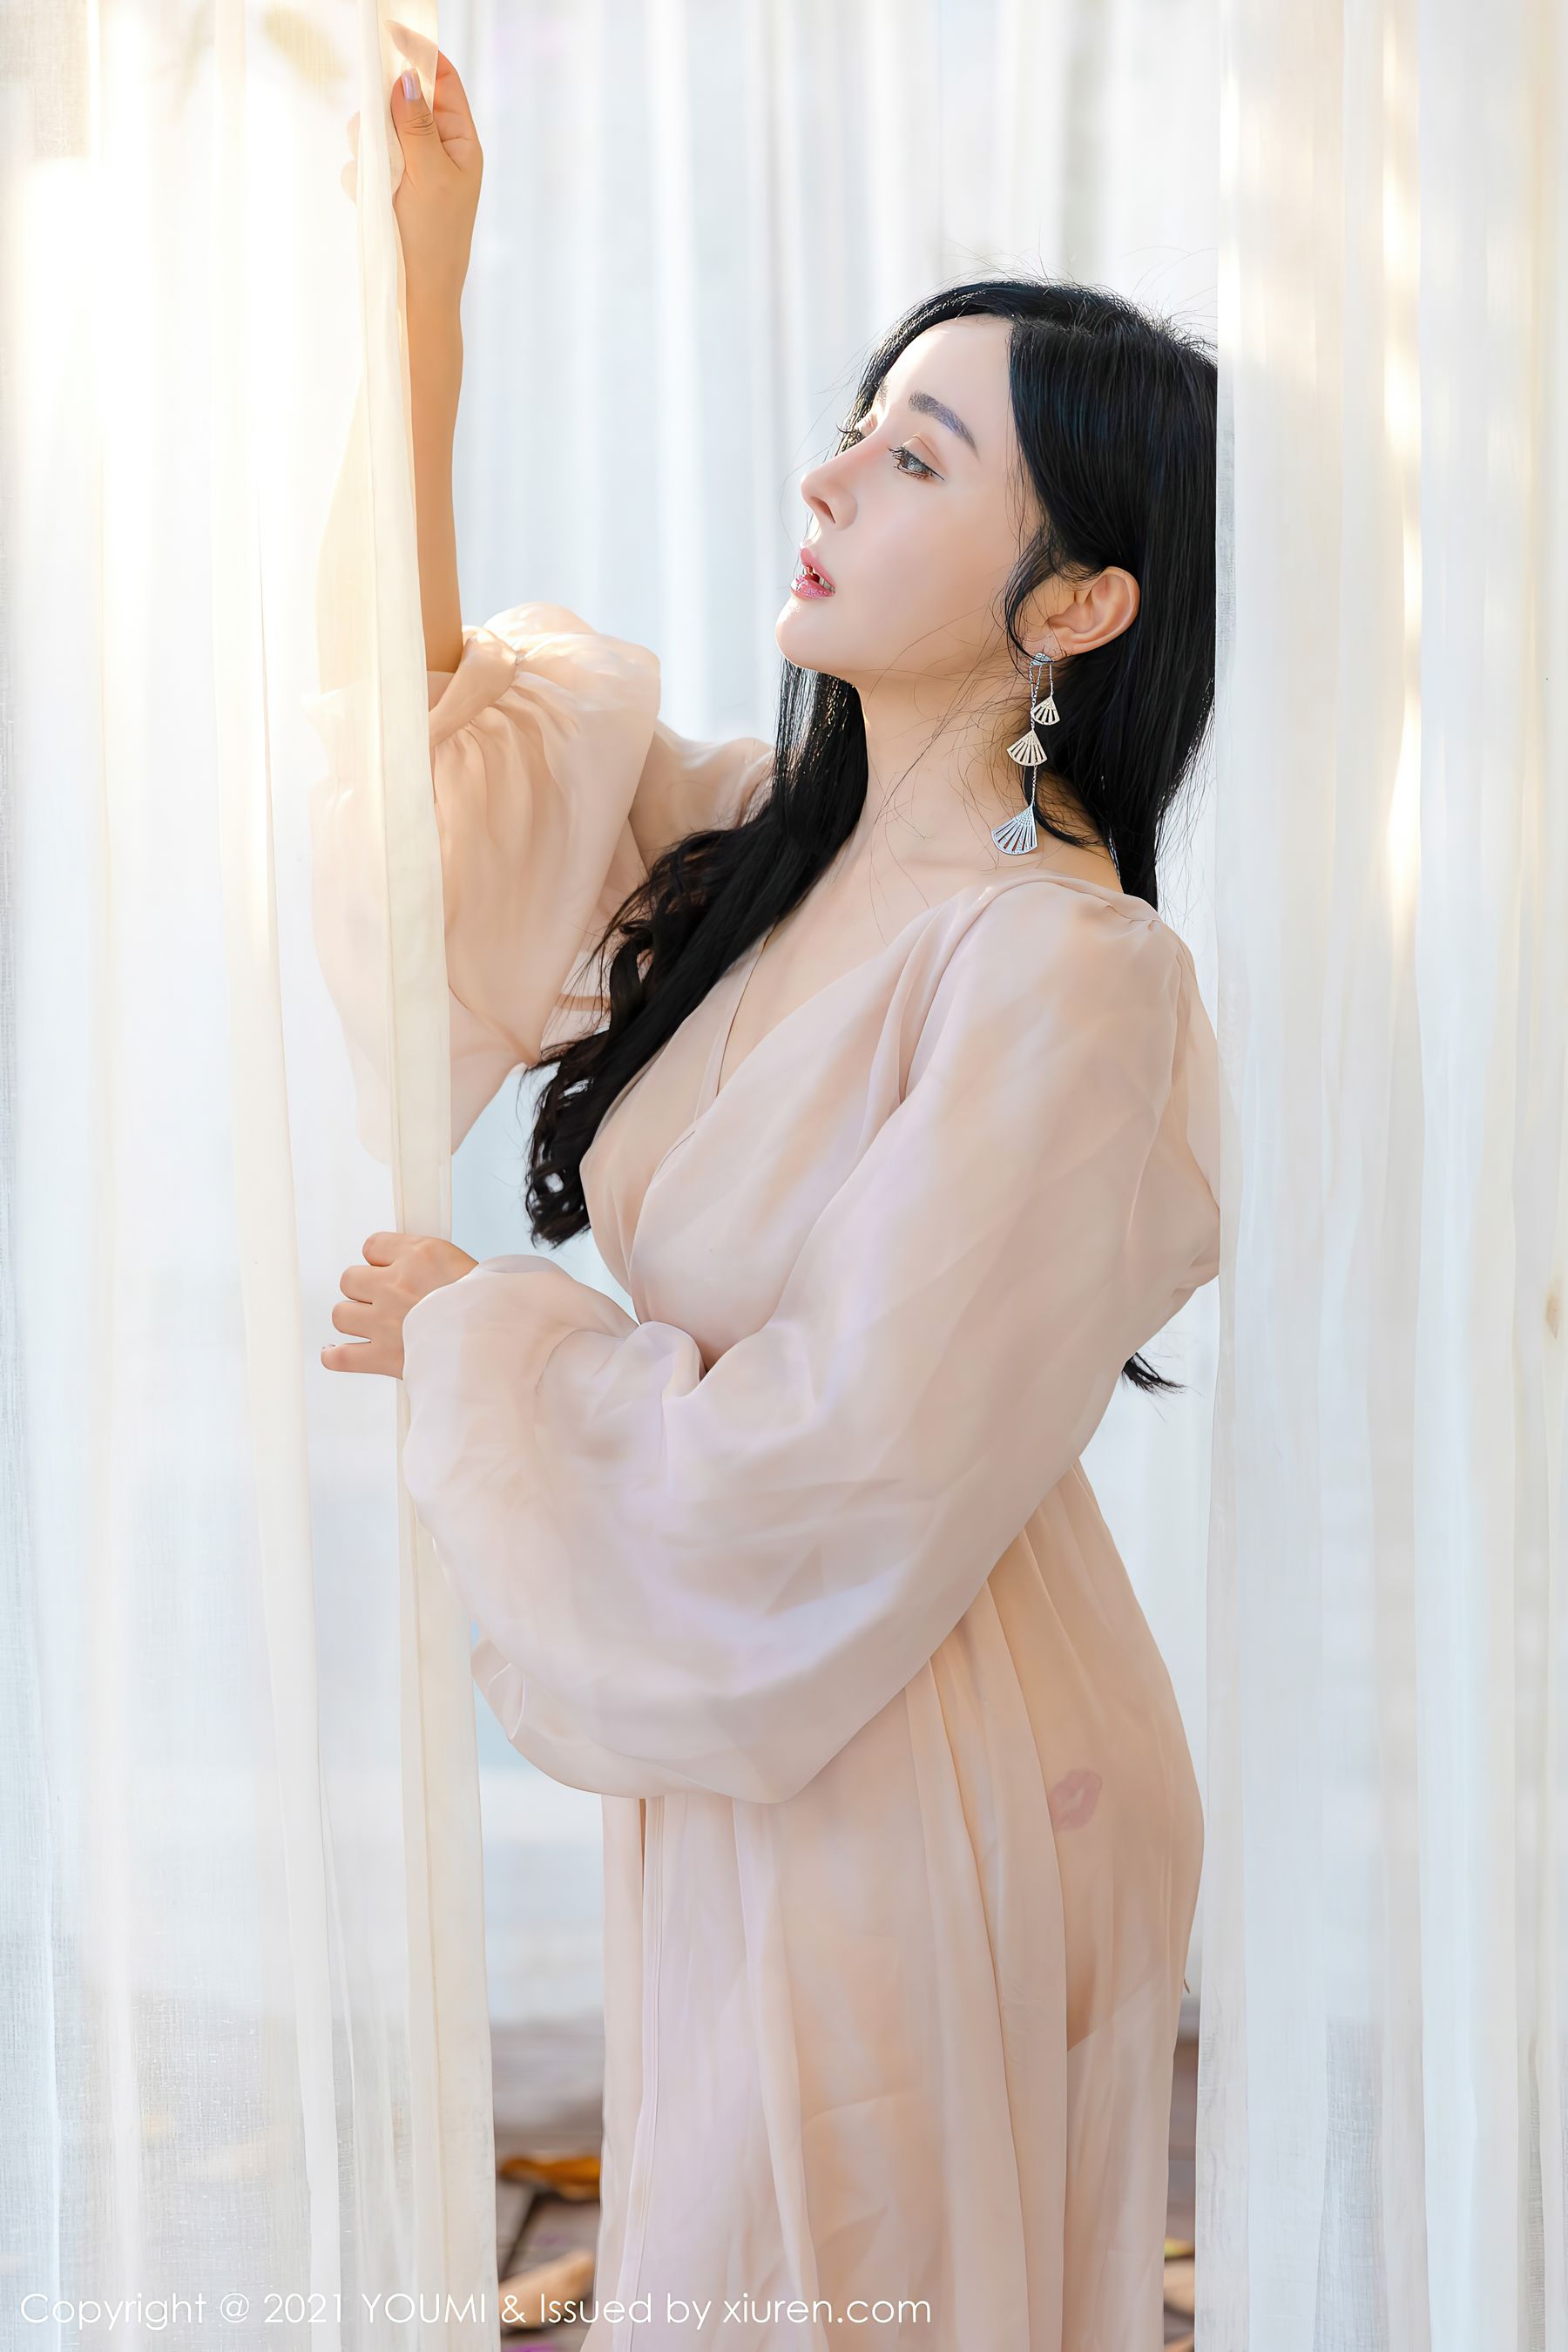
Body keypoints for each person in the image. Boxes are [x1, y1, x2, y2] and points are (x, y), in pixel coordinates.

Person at [312, 48, 1221, 2352]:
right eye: (856, 425)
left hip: (942, 1763)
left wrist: (480, 1328)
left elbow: (834, 1459)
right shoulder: (764, 852)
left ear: (1075, 605)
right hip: (782, 1731)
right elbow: (436, 765)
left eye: (919, 459)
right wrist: (428, 299)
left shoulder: (1064, 976)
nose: (829, 474)